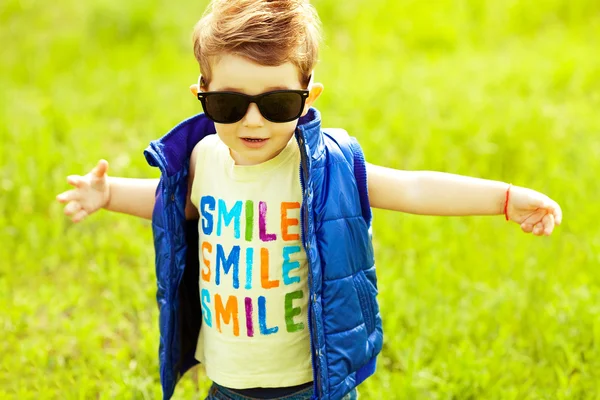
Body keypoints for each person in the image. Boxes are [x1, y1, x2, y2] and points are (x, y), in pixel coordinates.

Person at [56, 1, 563, 399]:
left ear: (308, 97)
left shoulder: (326, 166)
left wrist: (505, 197)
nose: (253, 121)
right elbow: (171, 204)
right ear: (202, 95)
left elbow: (411, 187)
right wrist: (110, 193)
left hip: (309, 380)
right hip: (228, 379)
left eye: (277, 104)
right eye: (230, 104)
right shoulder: (206, 158)